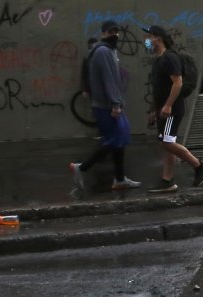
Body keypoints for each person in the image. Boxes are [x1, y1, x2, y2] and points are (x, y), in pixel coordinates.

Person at [69, 20, 140, 191]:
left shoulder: (107, 50)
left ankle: (120, 179)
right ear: (103, 34)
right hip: (107, 106)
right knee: (116, 139)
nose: (114, 34)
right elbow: (109, 79)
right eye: (110, 32)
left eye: (116, 31)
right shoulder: (103, 52)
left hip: (106, 104)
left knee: (119, 140)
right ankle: (82, 168)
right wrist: (115, 104)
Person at [143, 25, 203, 193]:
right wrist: (153, 109)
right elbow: (159, 87)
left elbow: (178, 82)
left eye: (150, 37)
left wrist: (167, 105)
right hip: (163, 109)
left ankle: (199, 165)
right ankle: (167, 180)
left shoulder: (170, 58)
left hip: (171, 110)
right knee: (168, 143)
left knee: (166, 142)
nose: (147, 41)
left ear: (158, 38)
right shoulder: (159, 59)